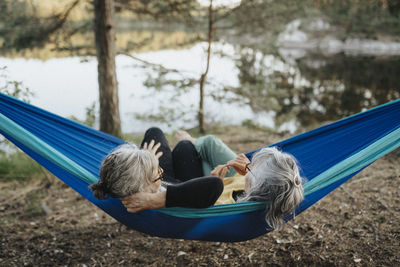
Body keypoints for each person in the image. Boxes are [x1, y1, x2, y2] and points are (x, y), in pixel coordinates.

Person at [92, 127, 305, 230]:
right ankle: (155, 160)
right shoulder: (255, 187)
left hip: (173, 191)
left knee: (162, 140)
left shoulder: (234, 206)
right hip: (175, 185)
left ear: (258, 187)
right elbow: (218, 182)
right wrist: (148, 162)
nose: (249, 167)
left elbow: (212, 186)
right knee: (170, 140)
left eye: (253, 169)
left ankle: (147, 168)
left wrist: (154, 196)